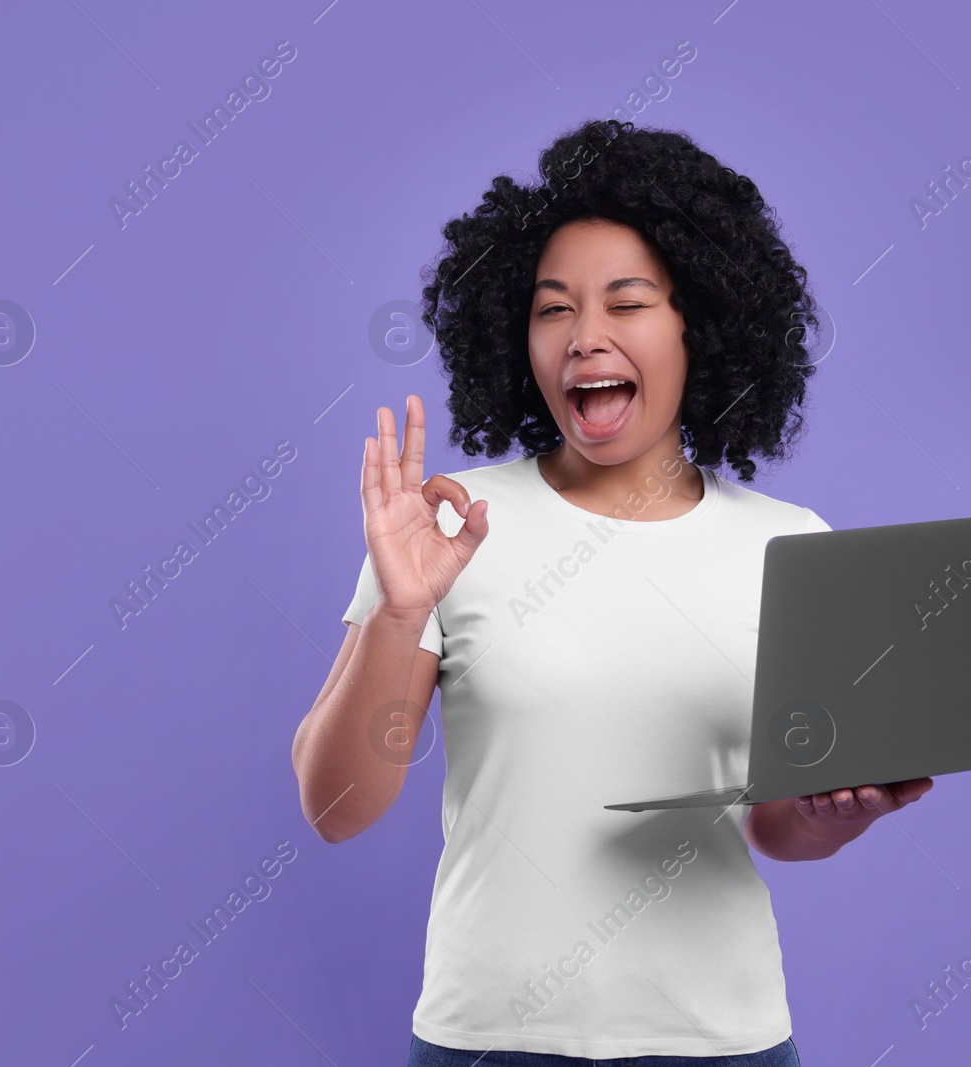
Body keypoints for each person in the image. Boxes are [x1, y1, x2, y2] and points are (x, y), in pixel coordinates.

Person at [290, 118, 933, 1066]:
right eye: (553, 309)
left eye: (625, 302)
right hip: (488, 1039)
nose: (585, 337)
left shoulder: (787, 545)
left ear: (697, 325)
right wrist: (399, 609)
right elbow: (336, 803)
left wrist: (842, 810)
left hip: (720, 1040)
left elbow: (776, 829)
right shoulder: (450, 525)